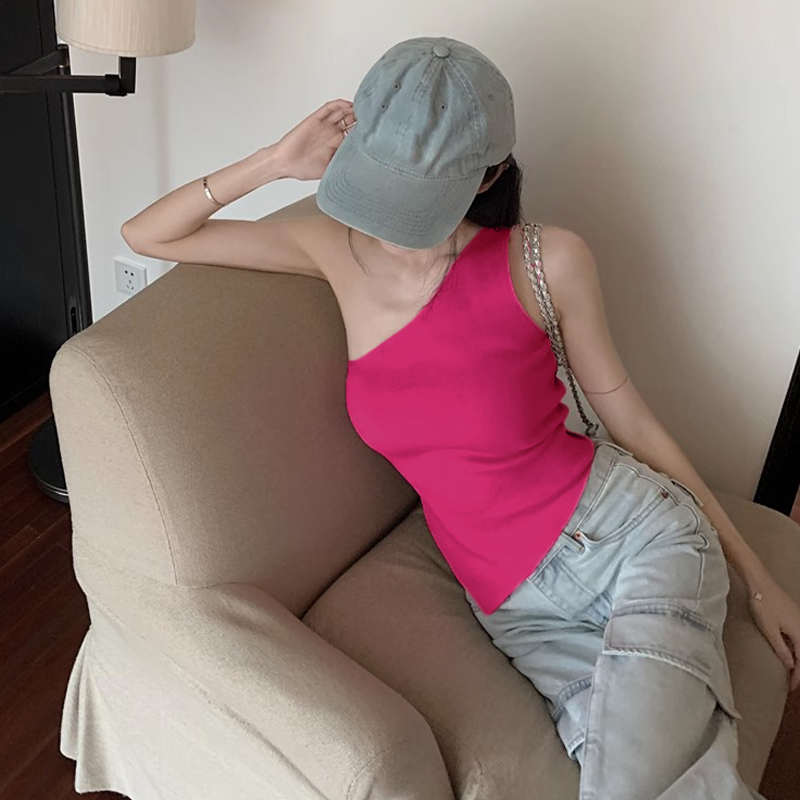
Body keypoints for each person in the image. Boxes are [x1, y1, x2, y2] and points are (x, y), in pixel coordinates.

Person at [121, 35, 799, 800]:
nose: (391, 222)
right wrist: (275, 162)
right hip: (515, 612)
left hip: (631, 541)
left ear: (490, 176)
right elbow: (149, 234)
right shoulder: (329, 247)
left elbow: (633, 424)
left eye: (419, 198)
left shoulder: (548, 260)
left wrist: (757, 578)